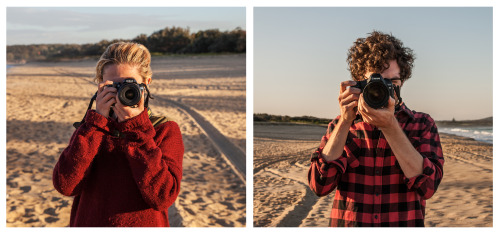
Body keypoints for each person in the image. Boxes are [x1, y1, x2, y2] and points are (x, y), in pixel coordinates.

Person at [308, 31, 444, 227]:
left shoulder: (422, 124)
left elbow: (428, 188)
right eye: (376, 82)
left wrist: (390, 126)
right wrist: (345, 121)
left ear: (402, 81)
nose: (384, 88)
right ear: (359, 83)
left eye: (392, 82)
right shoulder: (341, 126)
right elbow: (320, 185)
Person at [53, 42, 184, 227]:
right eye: (113, 85)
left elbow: (163, 197)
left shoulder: (164, 129)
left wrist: (137, 128)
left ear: (146, 83)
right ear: (100, 85)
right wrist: (96, 122)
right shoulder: (91, 129)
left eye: (129, 84)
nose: (122, 91)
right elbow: (65, 185)